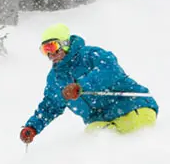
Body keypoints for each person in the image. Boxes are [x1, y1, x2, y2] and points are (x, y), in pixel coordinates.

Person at [19, 23, 159, 144]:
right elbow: (50, 105)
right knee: (94, 143)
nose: (51, 54)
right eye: (45, 50)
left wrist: (81, 86)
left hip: (132, 106)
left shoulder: (89, 55)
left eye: (52, 47)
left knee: (132, 138)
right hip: (100, 121)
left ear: (65, 44)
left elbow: (110, 70)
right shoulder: (56, 79)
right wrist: (33, 127)